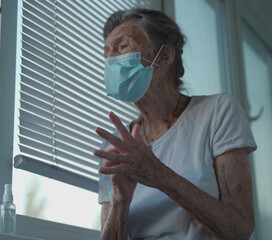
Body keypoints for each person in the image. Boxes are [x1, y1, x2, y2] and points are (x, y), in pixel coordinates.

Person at [92, 8, 257, 240]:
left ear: (164, 57)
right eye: (108, 55)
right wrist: (120, 199)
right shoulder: (116, 145)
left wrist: (159, 175)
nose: (112, 62)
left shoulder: (217, 111)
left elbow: (240, 228)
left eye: (123, 47)